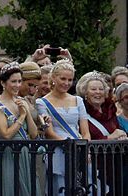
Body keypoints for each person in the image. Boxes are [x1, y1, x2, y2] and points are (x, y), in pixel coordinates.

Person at [36, 59, 90, 195]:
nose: (66, 83)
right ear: (53, 78)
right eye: (63, 78)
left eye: (70, 79)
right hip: (57, 151)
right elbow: (49, 132)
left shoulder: (78, 100)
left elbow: (85, 131)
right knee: (60, 188)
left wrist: (85, 148)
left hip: (78, 149)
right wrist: (68, 145)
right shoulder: (42, 102)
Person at [0, 62, 41, 196]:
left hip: (26, 153)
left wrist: (27, 113)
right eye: (13, 81)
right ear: (3, 83)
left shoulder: (21, 101)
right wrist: (22, 116)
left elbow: (34, 134)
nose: (17, 85)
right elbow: (6, 135)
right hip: (9, 154)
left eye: (19, 81)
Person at [76, 71, 127, 140]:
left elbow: (117, 132)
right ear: (85, 93)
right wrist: (109, 138)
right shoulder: (81, 113)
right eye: (93, 89)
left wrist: (121, 135)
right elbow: (83, 140)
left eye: (101, 89)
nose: (98, 92)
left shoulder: (110, 111)